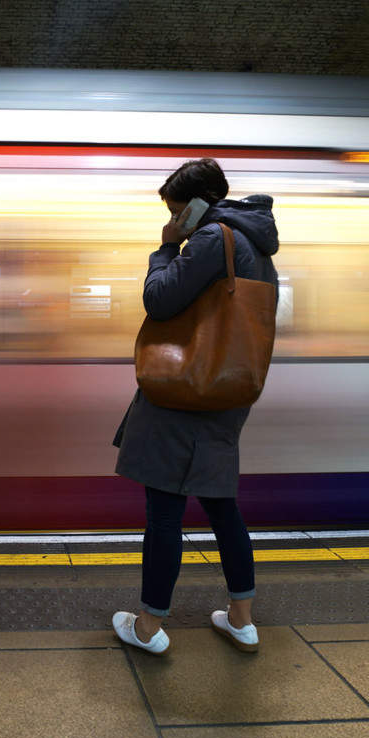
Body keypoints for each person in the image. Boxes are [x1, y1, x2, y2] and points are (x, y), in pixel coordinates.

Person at [111, 158, 279, 655]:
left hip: (186, 394)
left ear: (197, 206)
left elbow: (159, 300)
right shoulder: (257, 245)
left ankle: (148, 628)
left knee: (164, 512)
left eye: (177, 210)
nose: (173, 219)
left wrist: (165, 246)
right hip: (226, 391)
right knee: (222, 506)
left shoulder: (211, 240)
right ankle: (241, 619)